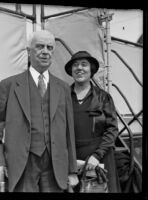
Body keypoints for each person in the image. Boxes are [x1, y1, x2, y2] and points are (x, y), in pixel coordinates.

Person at [0, 30, 79, 192]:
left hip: (55, 165)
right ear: (29, 51)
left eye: (49, 48)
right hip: (22, 164)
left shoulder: (62, 88)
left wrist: (72, 170)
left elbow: (69, 133)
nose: (45, 52)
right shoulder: (8, 85)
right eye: (39, 47)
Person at [64, 51, 121, 192]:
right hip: (72, 158)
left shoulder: (103, 97)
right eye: (75, 65)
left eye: (84, 64)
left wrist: (97, 155)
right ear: (71, 71)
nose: (79, 68)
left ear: (91, 70)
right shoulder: (63, 97)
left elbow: (112, 129)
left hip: (99, 158)